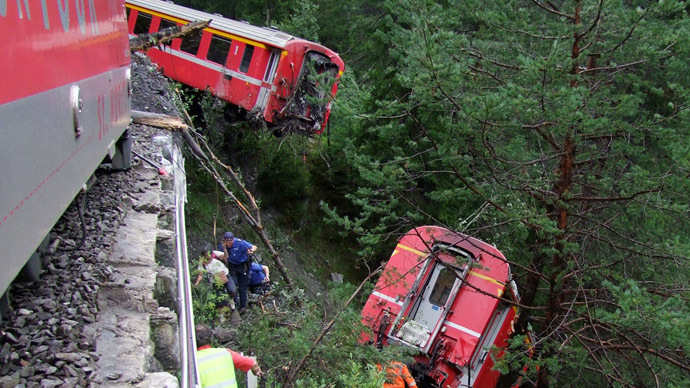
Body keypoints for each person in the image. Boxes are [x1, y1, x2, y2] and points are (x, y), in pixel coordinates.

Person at [195, 324, 263, 387]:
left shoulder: (192, 360)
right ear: (211, 339)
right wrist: (257, 371)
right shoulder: (225, 353)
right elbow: (253, 363)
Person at [218, 232, 257, 313]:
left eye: (230, 241)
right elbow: (225, 257)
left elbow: (254, 247)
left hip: (243, 267)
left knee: (243, 287)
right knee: (233, 286)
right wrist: (225, 249)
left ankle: (243, 307)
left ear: (233, 239)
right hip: (232, 267)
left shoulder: (240, 243)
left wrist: (251, 251)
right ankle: (235, 305)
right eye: (226, 241)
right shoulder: (222, 246)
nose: (228, 243)